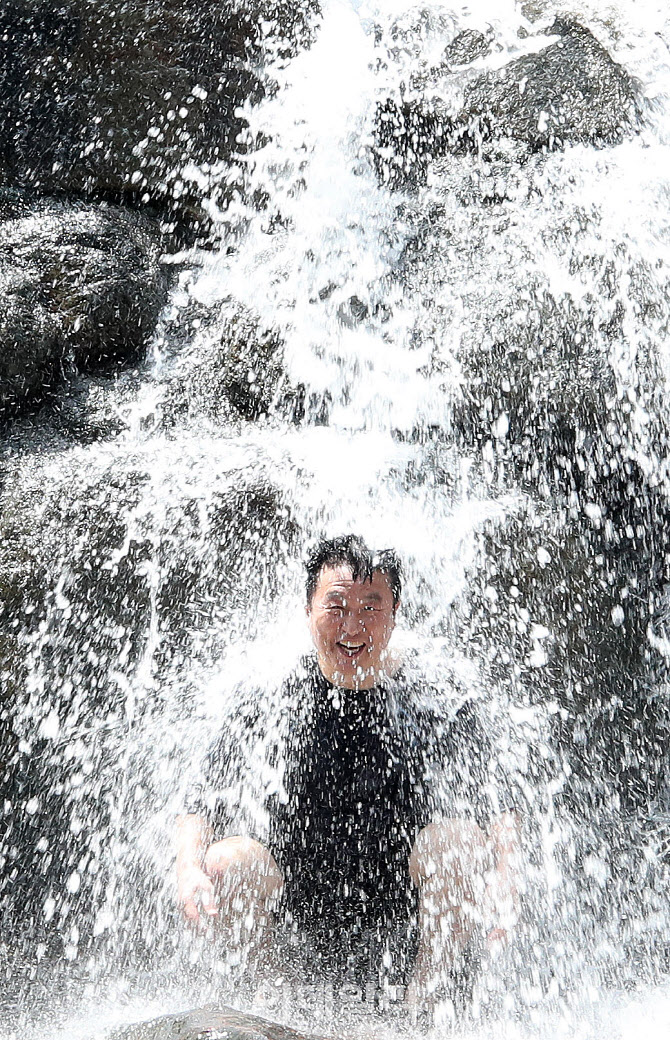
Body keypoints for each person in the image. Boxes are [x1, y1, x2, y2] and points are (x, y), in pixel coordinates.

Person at [176, 535, 519, 1007]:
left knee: (459, 843)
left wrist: (506, 875)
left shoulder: (434, 697)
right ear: (307, 610)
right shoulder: (272, 696)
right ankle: (278, 1010)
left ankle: (421, 1015)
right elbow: (200, 801)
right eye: (335, 607)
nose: (352, 627)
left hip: (406, 917)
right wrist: (188, 867)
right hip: (295, 912)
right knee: (226, 861)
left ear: (395, 615)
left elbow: (496, 803)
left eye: (370, 608)